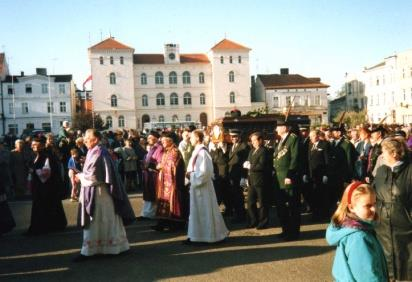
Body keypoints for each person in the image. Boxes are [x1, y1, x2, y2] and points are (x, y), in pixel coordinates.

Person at [73, 129, 135, 262]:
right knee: (102, 219)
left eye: (87, 138)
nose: (84, 140)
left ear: (95, 140)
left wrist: (79, 176)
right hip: (98, 192)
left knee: (99, 219)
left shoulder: (99, 152)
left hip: (100, 193)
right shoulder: (93, 151)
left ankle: (98, 250)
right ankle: (104, 248)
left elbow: (94, 177)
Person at [326, 181, 388, 281]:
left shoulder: (356, 229)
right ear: (351, 207)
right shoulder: (358, 237)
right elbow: (366, 276)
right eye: (368, 205)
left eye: (374, 204)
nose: (374, 209)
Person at [373, 137, 412, 281]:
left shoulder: (409, 171)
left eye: (384, 151)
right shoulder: (381, 171)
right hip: (382, 227)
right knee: (387, 266)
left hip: (405, 228)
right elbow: (374, 194)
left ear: (394, 153)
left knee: (406, 266)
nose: (381, 155)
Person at [184, 130, 229, 244]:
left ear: (198, 138)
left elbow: (205, 172)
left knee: (205, 212)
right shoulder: (197, 151)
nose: (190, 140)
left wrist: (191, 175)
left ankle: (209, 236)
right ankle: (196, 236)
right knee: (196, 212)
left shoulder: (203, 153)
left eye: (192, 138)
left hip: (203, 187)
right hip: (196, 186)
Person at [25, 138, 67, 236]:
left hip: (46, 187)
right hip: (42, 186)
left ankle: (45, 226)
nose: (32, 146)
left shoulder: (46, 156)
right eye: (32, 144)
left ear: (42, 145)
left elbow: (46, 172)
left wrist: (34, 171)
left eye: (35, 144)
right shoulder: (39, 155)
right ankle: (48, 225)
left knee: (45, 205)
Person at [151, 131, 187, 232]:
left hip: (172, 183)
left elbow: (173, 166)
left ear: (170, 141)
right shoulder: (167, 151)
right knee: (163, 201)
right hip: (165, 181)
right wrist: (158, 166)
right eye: (161, 140)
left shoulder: (175, 151)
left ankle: (175, 224)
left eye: (164, 140)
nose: (162, 142)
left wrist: (161, 166)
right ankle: (162, 223)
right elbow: (163, 163)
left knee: (173, 202)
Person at [273, 120, 300, 240]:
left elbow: (295, 158)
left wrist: (290, 174)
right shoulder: (280, 140)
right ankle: (285, 230)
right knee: (281, 207)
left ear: (285, 127)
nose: (276, 129)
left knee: (292, 206)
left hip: (288, 178)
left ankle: (293, 233)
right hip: (279, 178)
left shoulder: (293, 139)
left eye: (278, 127)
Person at [244, 132, 272, 229]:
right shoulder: (252, 151)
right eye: (252, 141)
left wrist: (251, 166)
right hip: (252, 180)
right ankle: (253, 220)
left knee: (262, 202)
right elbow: (248, 164)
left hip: (260, 180)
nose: (253, 143)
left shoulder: (264, 151)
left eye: (255, 140)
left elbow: (262, 165)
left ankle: (263, 222)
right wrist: (247, 177)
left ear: (260, 140)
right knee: (250, 202)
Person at [227, 129, 249, 223]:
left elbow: (245, 162)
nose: (233, 138)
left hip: (238, 175)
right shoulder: (233, 146)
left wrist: (244, 177)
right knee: (234, 196)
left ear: (239, 137)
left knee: (239, 197)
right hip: (232, 175)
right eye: (231, 136)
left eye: (235, 136)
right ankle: (238, 214)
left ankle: (241, 216)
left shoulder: (244, 146)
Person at [140, 131, 163, 220]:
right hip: (148, 173)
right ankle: (145, 213)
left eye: (150, 137)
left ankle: (150, 213)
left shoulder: (159, 148)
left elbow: (159, 161)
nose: (148, 139)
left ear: (156, 138)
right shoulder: (152, 148)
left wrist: (150, 165)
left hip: (154, 174)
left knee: (152, 194)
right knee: (147, 193)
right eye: (148, 138)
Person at [0, 138, 16, 235]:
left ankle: (4, 226)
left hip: (2, 181)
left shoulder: (5, 152)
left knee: (2, 207)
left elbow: (4, 162)